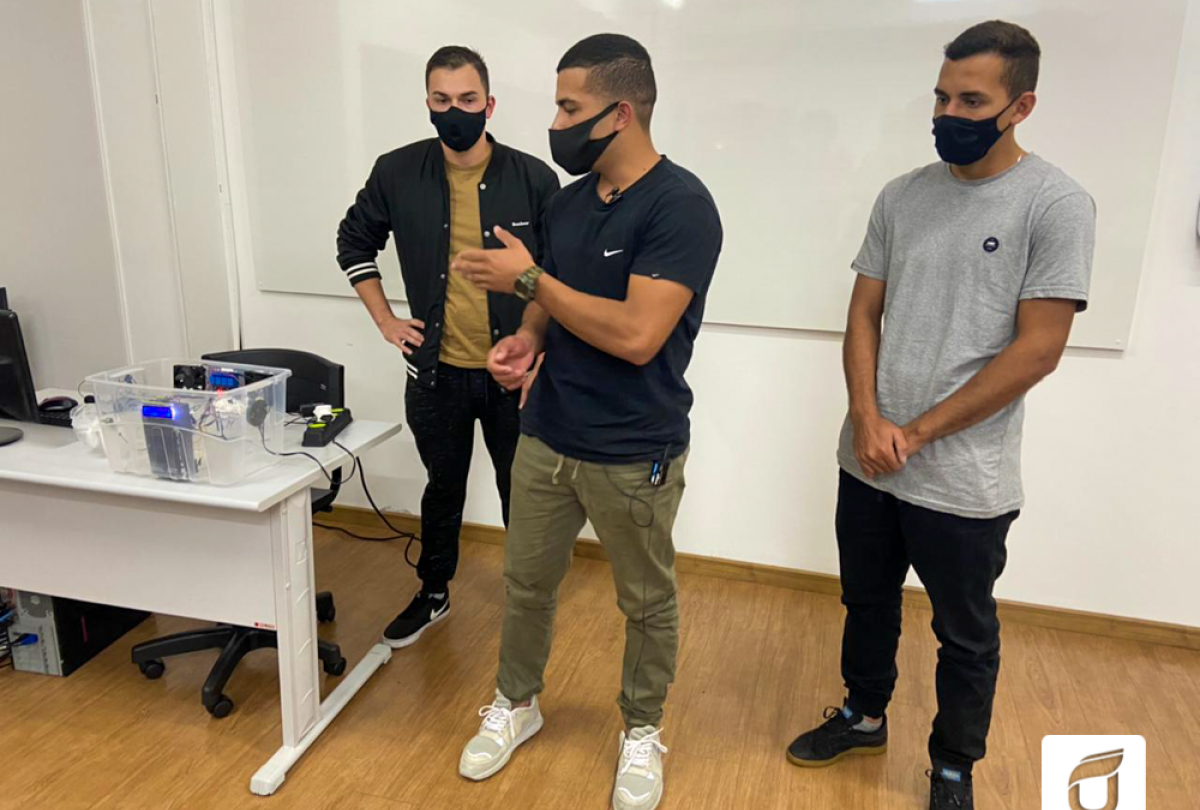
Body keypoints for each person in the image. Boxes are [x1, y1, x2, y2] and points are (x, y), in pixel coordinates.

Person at [785, 20, 1095, 810]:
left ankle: (954, 766)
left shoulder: (1056, 204)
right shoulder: (902, 195)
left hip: (963, 481)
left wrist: (916, 433)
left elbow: (1038, 350)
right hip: (868, 460)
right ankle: (863, 714)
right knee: (866, 603)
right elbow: (864, 313)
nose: (948, 113)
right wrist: (867, 417)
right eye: (941, 96)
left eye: (971, 101)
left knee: (964, 635)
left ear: (1021, 106)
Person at [449, 33, 722, 810]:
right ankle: (517, 702)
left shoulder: (681, 207)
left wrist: (529, 279)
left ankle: (642, 729)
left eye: (570, 109)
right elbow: (550, 302)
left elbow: (638, 336)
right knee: (526, 584)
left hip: (634, 450)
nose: (557, 124)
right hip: (547, 435)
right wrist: (525, 340)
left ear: (620, 113)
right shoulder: (568, 203)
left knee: (645, 602)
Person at [336, 46, 559, 649]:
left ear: (489, 104)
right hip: (435, 373)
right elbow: (353, 241)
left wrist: (535, 345)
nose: (454, 111)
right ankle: (433, 592)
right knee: (442, 488)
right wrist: (386, 320)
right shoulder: (397, 172)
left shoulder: (534, 178)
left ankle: (528, 602)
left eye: (467, 99)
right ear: (428, 104)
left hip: (515, 377)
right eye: (442, 100)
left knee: (524, 492)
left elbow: (557, 274)